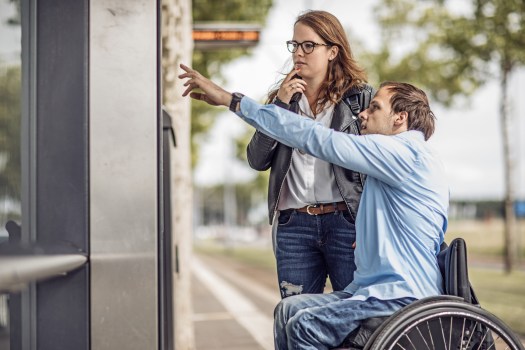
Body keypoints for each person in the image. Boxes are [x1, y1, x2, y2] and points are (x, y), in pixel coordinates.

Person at [178, 64, 449, 349]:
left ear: (400, 118)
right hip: (372, 292)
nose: (362, 114)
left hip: (399, 299)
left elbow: (318, 138)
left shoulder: (404, 152)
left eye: (375, 108)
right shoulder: (398, 158)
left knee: (306, 325)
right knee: (288, 310)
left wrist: (232, 100)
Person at [247, 10, 374, 298]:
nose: (298, 54)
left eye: (308, 45)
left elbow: (378, 166)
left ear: (332, 51)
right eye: (294, 45)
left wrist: (371, 227)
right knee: (296, 316)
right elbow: (257, 159)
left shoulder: (361, 100)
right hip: (294, 228)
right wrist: (279, 105)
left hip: (347, 223)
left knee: (355, 318)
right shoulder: (281, 101)